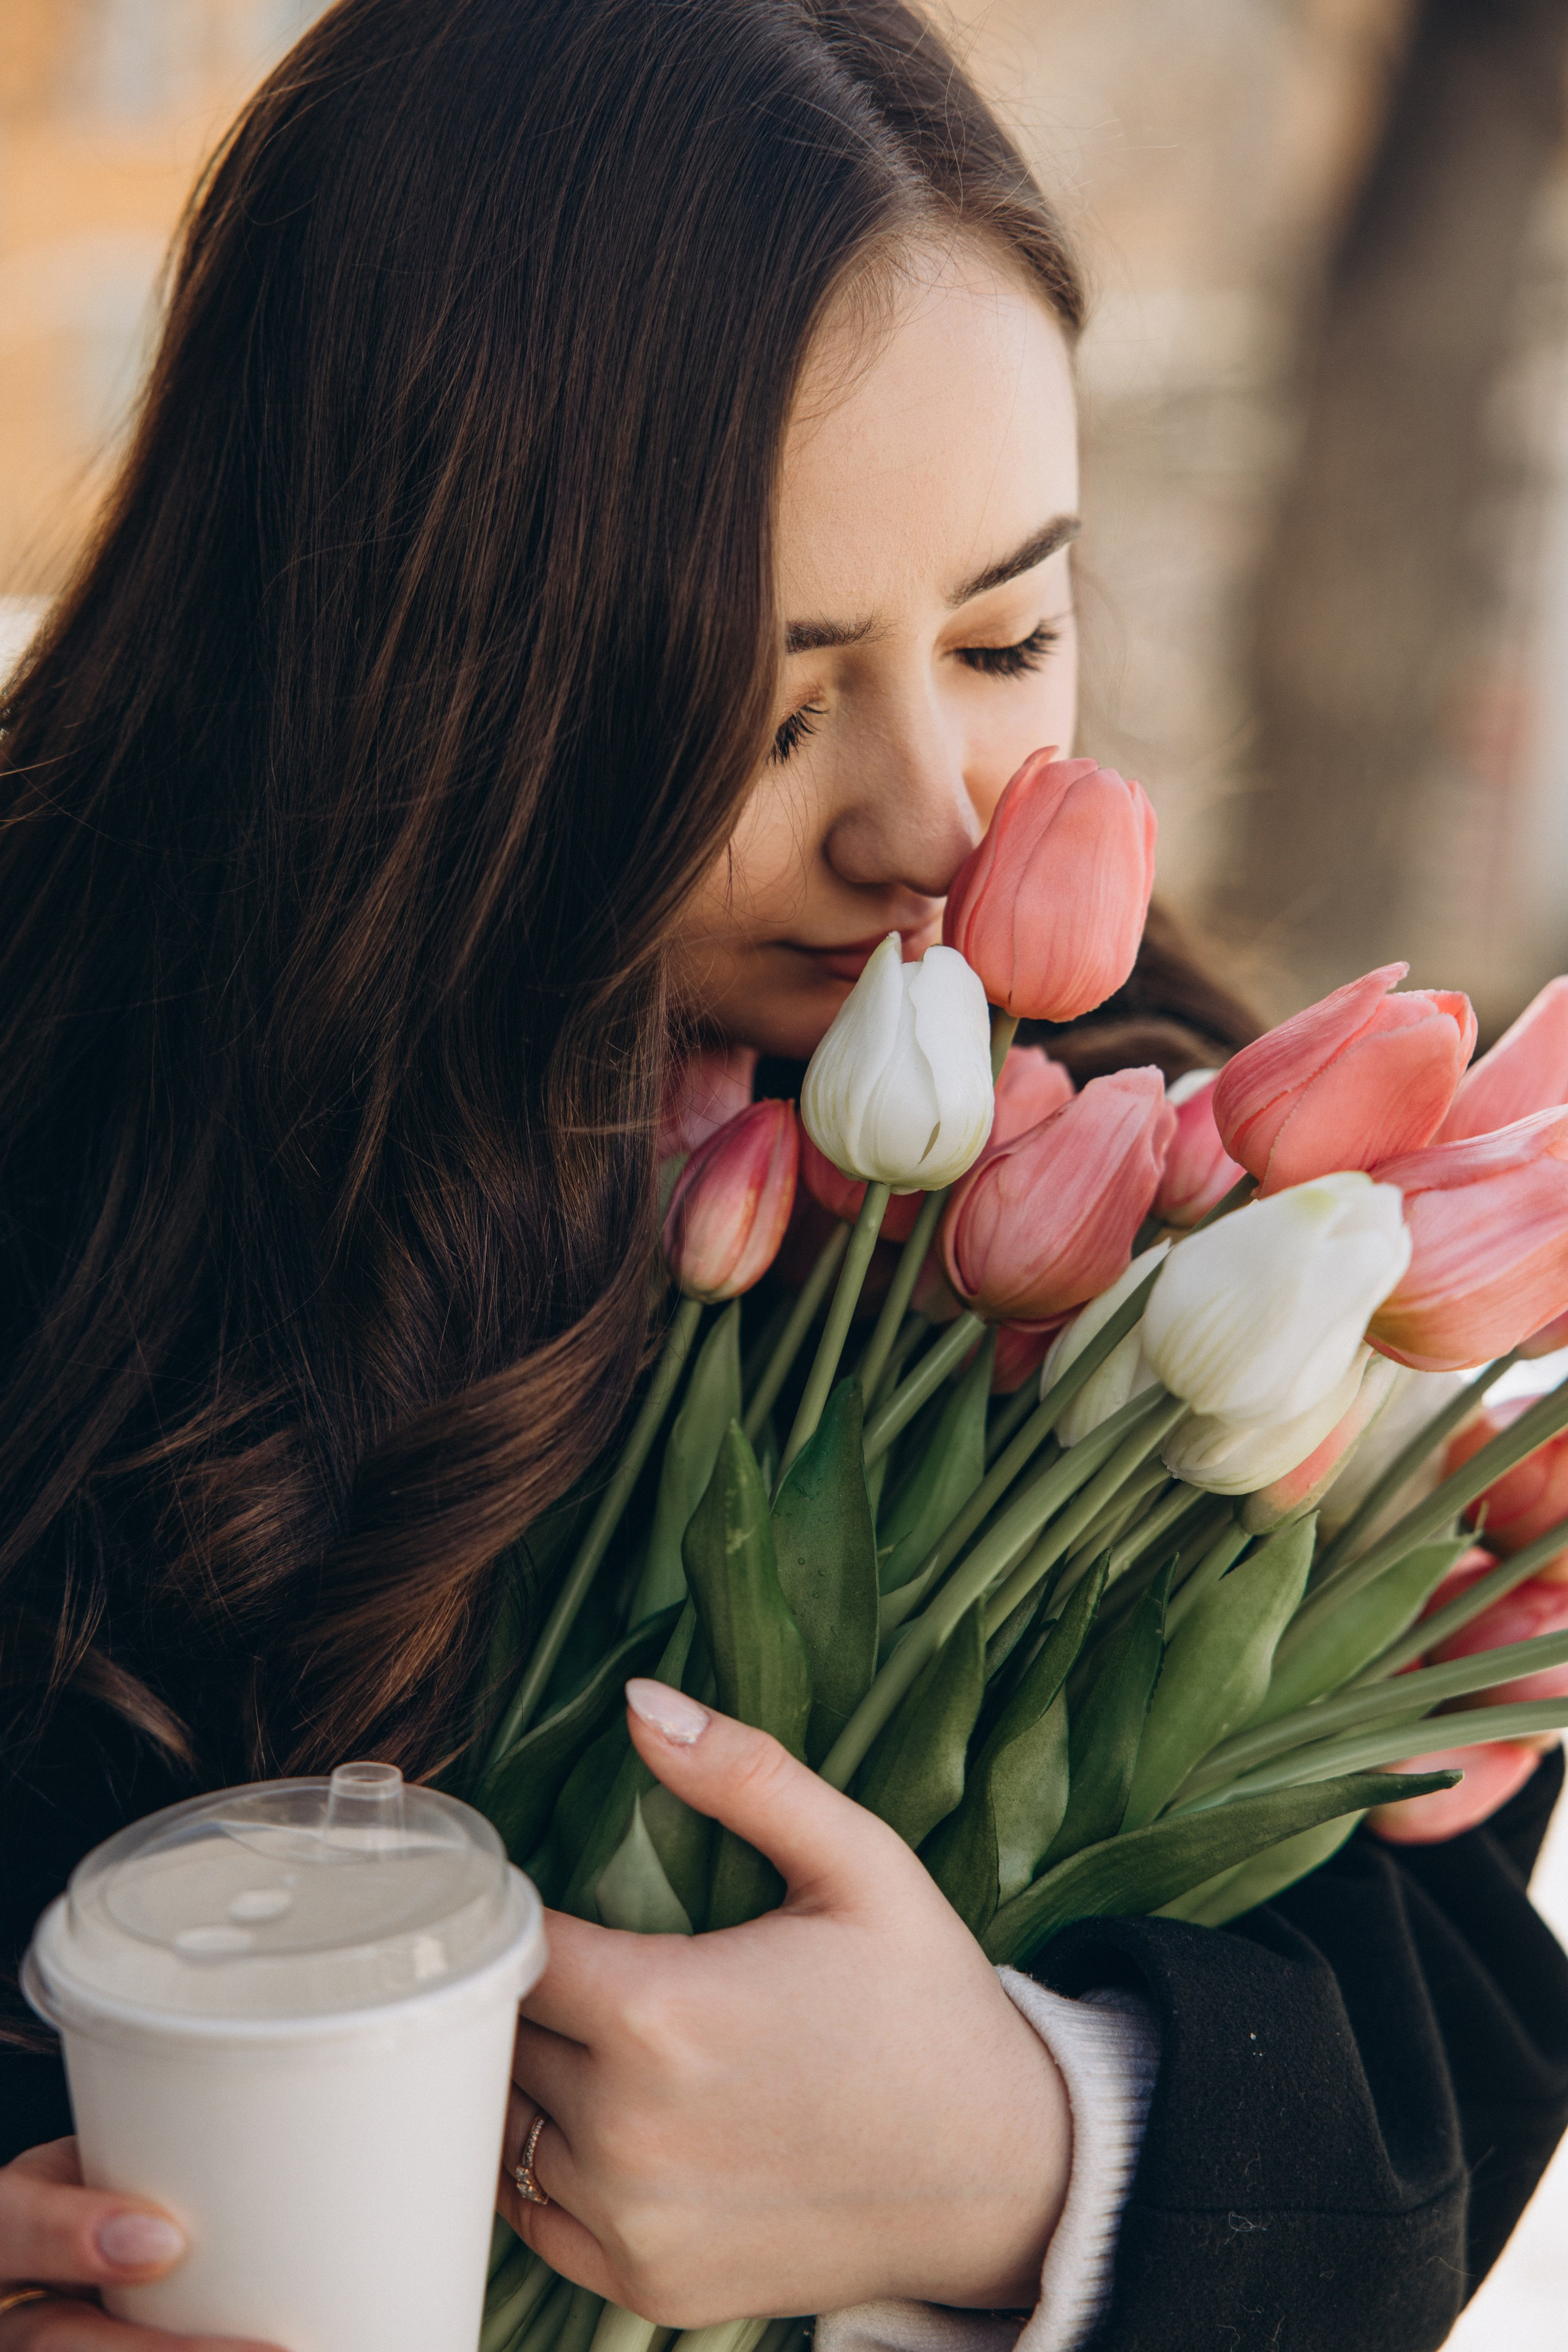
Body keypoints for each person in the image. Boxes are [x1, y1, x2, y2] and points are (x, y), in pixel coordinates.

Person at [1, 4, 1565, 2348]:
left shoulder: (1191, 1185)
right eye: (751, 701)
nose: (932, 823)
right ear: (394, 657)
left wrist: (1033, 2148)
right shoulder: (70, 1151)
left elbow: (1440, 2040)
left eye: (1013, 629)